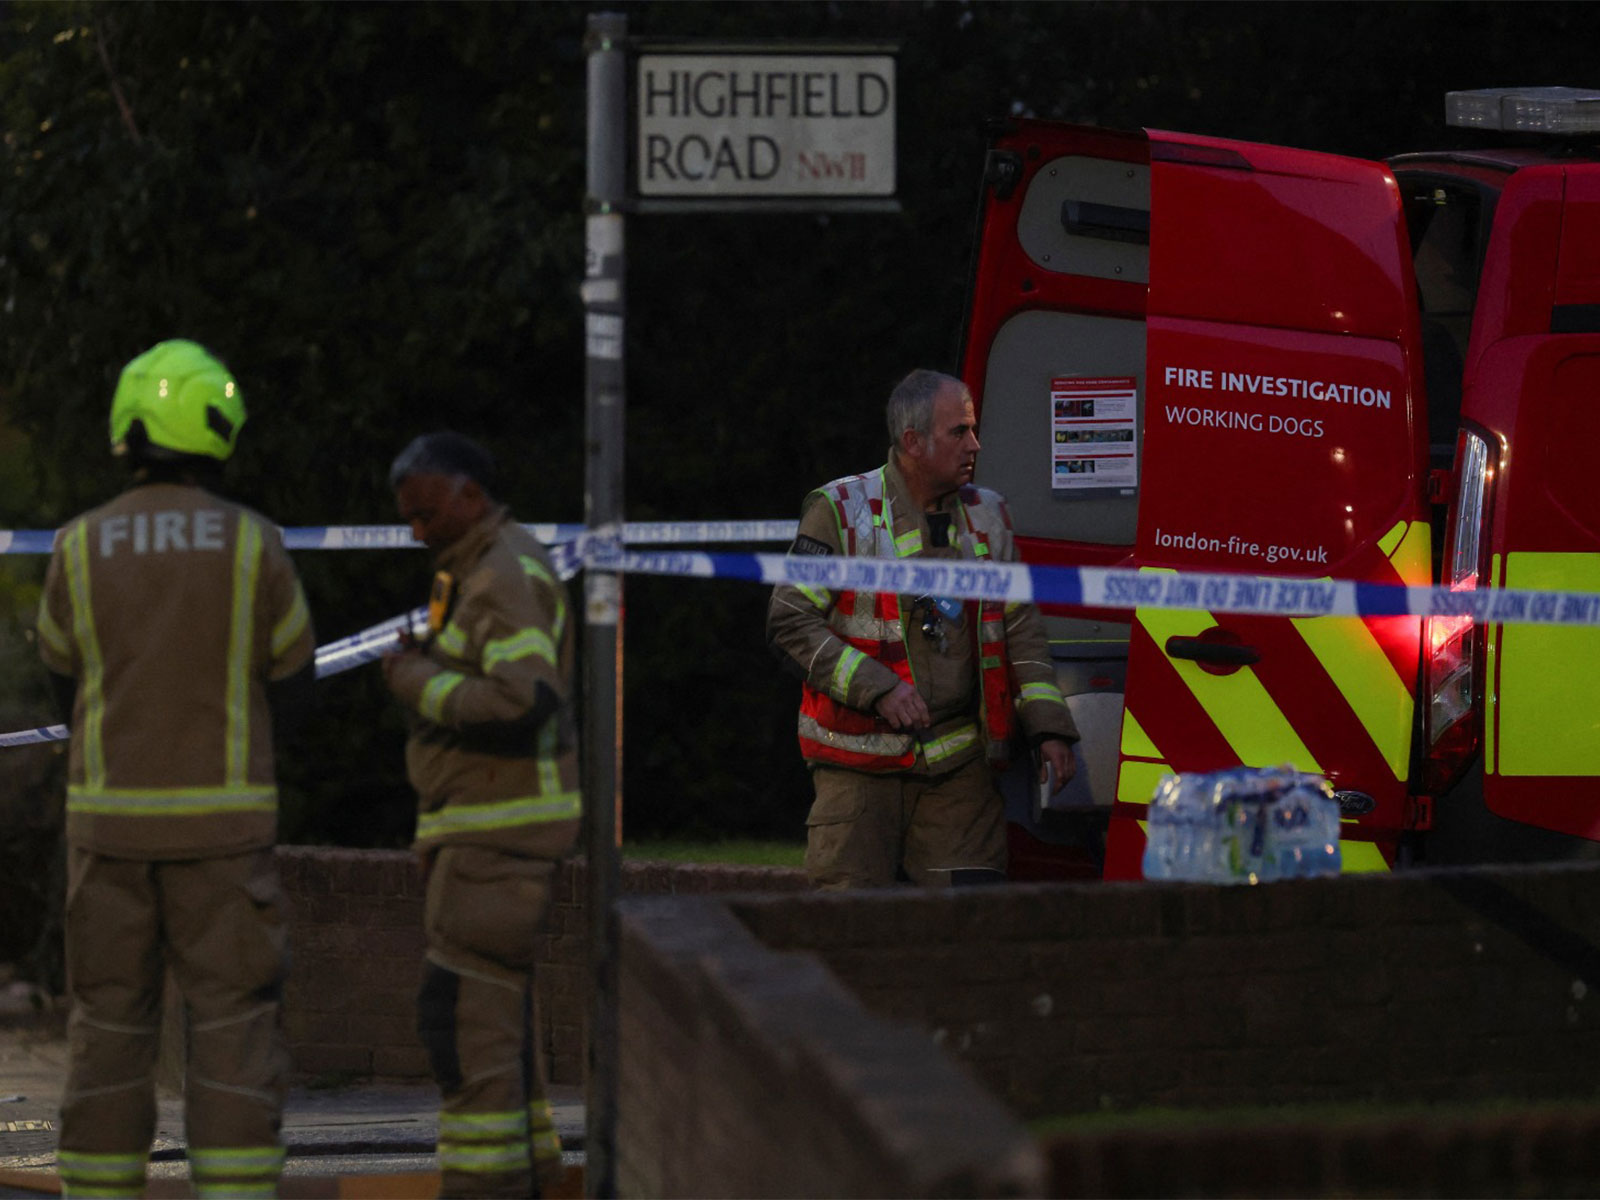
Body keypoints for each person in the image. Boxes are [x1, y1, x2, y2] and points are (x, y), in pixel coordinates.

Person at [35, 339, 316, 1199]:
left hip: (107, 833)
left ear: (129, 424)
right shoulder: (252, 545)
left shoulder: (78, 548)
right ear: (215, 423)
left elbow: (61, 679)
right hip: (224, 840)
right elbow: (295, 679)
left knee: (107, 1029)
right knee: (232, 1029)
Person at [767, 368, 1080, 889]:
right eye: (959, 431)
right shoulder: (839, 512)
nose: (975, 444)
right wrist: (878, 687)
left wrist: (1048, 725)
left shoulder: (990, 515)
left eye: (973, 429)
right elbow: (789, 618)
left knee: (971, 928)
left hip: (959, 768)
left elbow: (1019, 626)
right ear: (912, 442)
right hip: (858, 767)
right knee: (848, 931)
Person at [381, 431, 581, 1199]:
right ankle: (527, 1179)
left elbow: (522, 699)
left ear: (470, 495)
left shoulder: (500, 576)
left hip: (498, 835)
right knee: (497, 1036)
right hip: (487, 831)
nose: (417, 530)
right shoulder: (476, 570)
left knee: (463, 1034)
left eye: (427, 512)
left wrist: (414, 682)